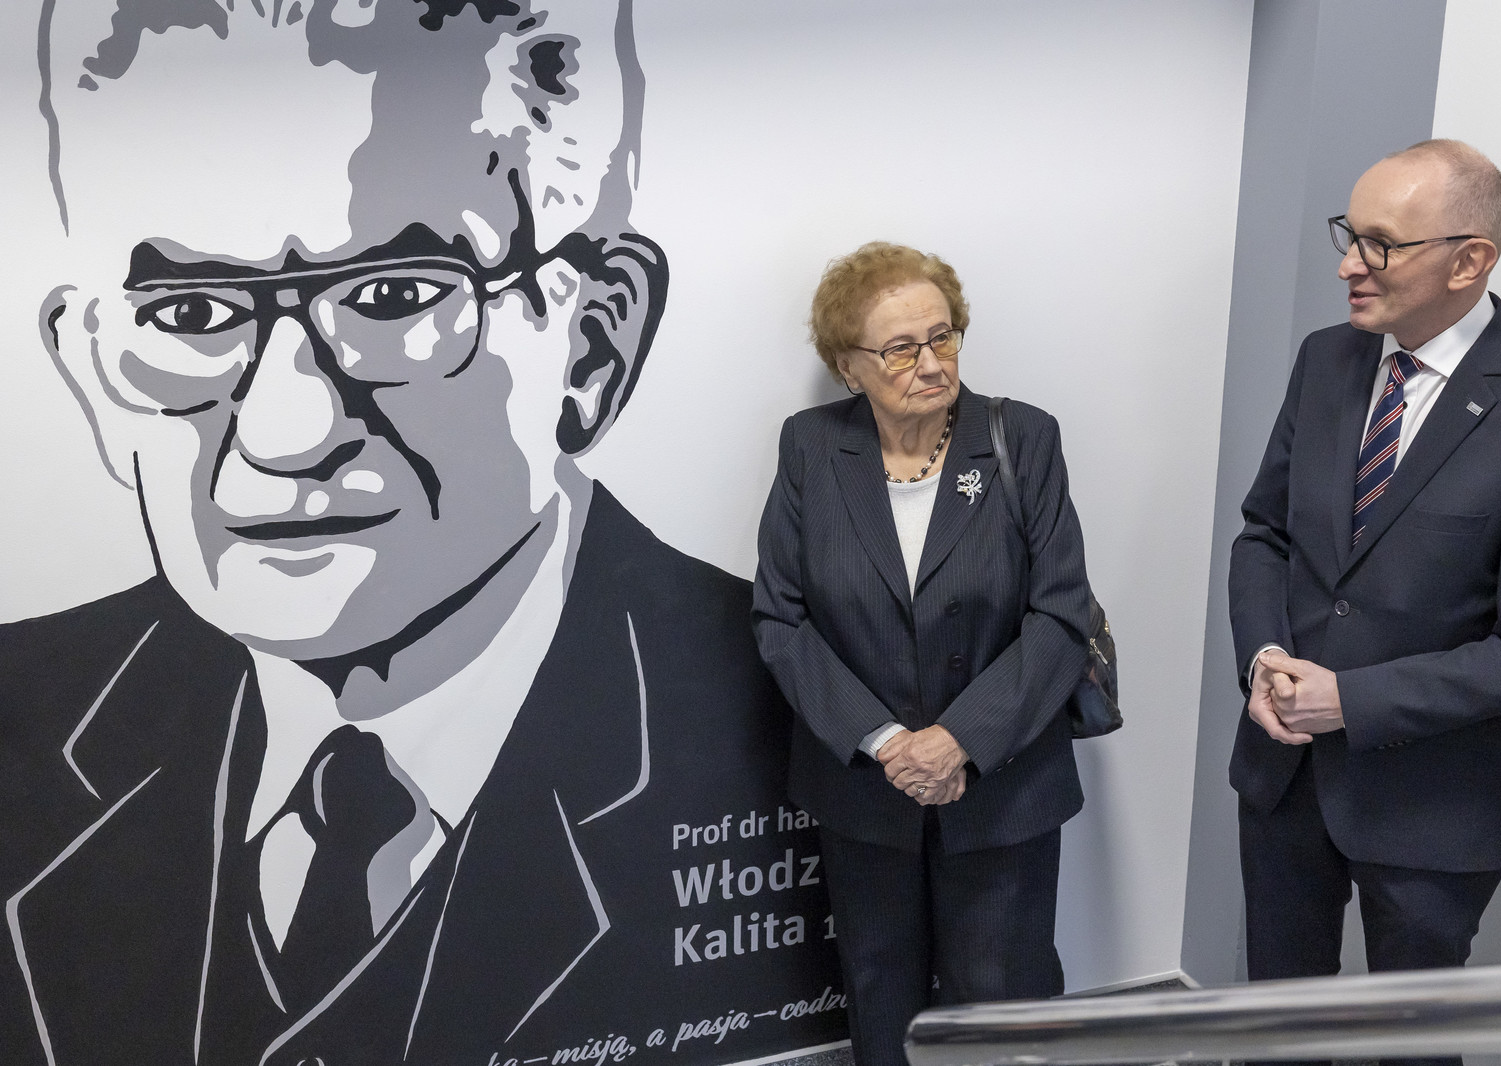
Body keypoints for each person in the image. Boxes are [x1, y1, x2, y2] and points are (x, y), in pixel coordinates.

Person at [0, 3, 842, 1064]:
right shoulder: (28, 705)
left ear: (593, 342)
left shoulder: (784, 700)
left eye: (395, 296)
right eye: (192, 315)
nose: (288, 433)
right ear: (84, 362)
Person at [1229, 139, 1501, 1062]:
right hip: (1284, 780)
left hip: (1429, 811)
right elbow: (1264, 534)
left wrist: (1349, 702)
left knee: (1412, 1048)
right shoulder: (1327, 360)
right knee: (1276, 1032)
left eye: (1381, 245)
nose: (1349, 265)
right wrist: (1263, 659)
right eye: (1349, 235)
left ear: (1470, 260)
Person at [753, 242, 1098, 1066]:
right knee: (882, 999)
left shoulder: (1022, 437)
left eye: (942, 337)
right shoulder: (810, 447)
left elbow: (1061, 615)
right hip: (866, 792)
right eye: (901, 349)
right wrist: (886, 743)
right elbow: (781, 618)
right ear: (849, 367)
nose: (932, 363)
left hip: (1003, 787)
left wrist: (958, 741)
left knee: (1001, 1004)